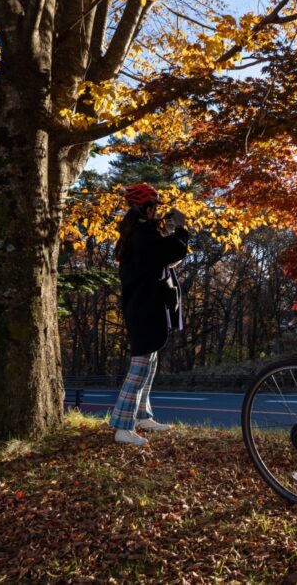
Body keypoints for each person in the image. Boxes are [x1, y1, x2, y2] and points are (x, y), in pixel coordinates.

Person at [108, 182, 189, 446]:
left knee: (149, 364)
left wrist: (168, 231)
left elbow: (165, 257)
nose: (157, 211)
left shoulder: (139, 234)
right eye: (153, 206)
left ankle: (142, 416)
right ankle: (122, 427)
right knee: (140, 367)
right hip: (144, 309)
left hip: (145, 307)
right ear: (145, 207)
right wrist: (180, 228)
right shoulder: (142, 236)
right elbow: (174, 251)